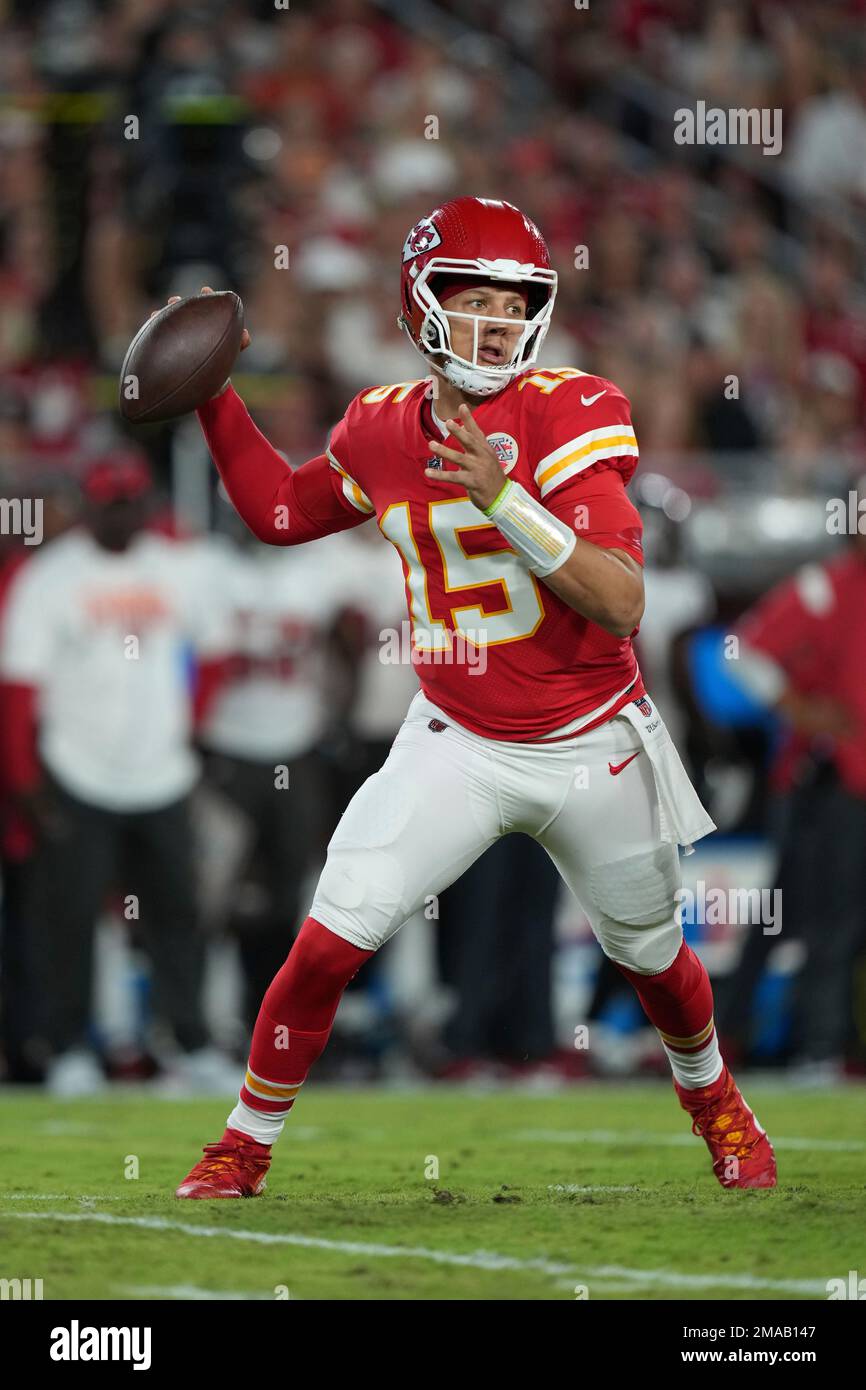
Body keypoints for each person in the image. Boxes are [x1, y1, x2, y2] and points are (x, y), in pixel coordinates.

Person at [174, 197, 776, 1196]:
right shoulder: (377, 424)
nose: (497, 323)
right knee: (329, 939)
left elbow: (620, 601)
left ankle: (714, 1098)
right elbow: (281, 508)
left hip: (589, 739)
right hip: (453, 734)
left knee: (654, 957)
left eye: (514, 302)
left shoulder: (569, 407)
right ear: (419, 309)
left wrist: (502, 497)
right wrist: (212, 397)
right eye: (473, 300)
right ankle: (241, 1144)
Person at [0, 453, 237, 1095]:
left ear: (146, 503)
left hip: (161, 772)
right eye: (111, 503)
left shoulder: (177, 569)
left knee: (177, 916)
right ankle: (71, 1046)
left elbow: (215, 651)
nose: (123, 513)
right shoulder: (49, 578)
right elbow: (20, 688)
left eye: (132, 501)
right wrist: (25, 782)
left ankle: (187, 1043)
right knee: (69, 918)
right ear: (88, 507)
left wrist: (191, 723)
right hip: (78, 772)